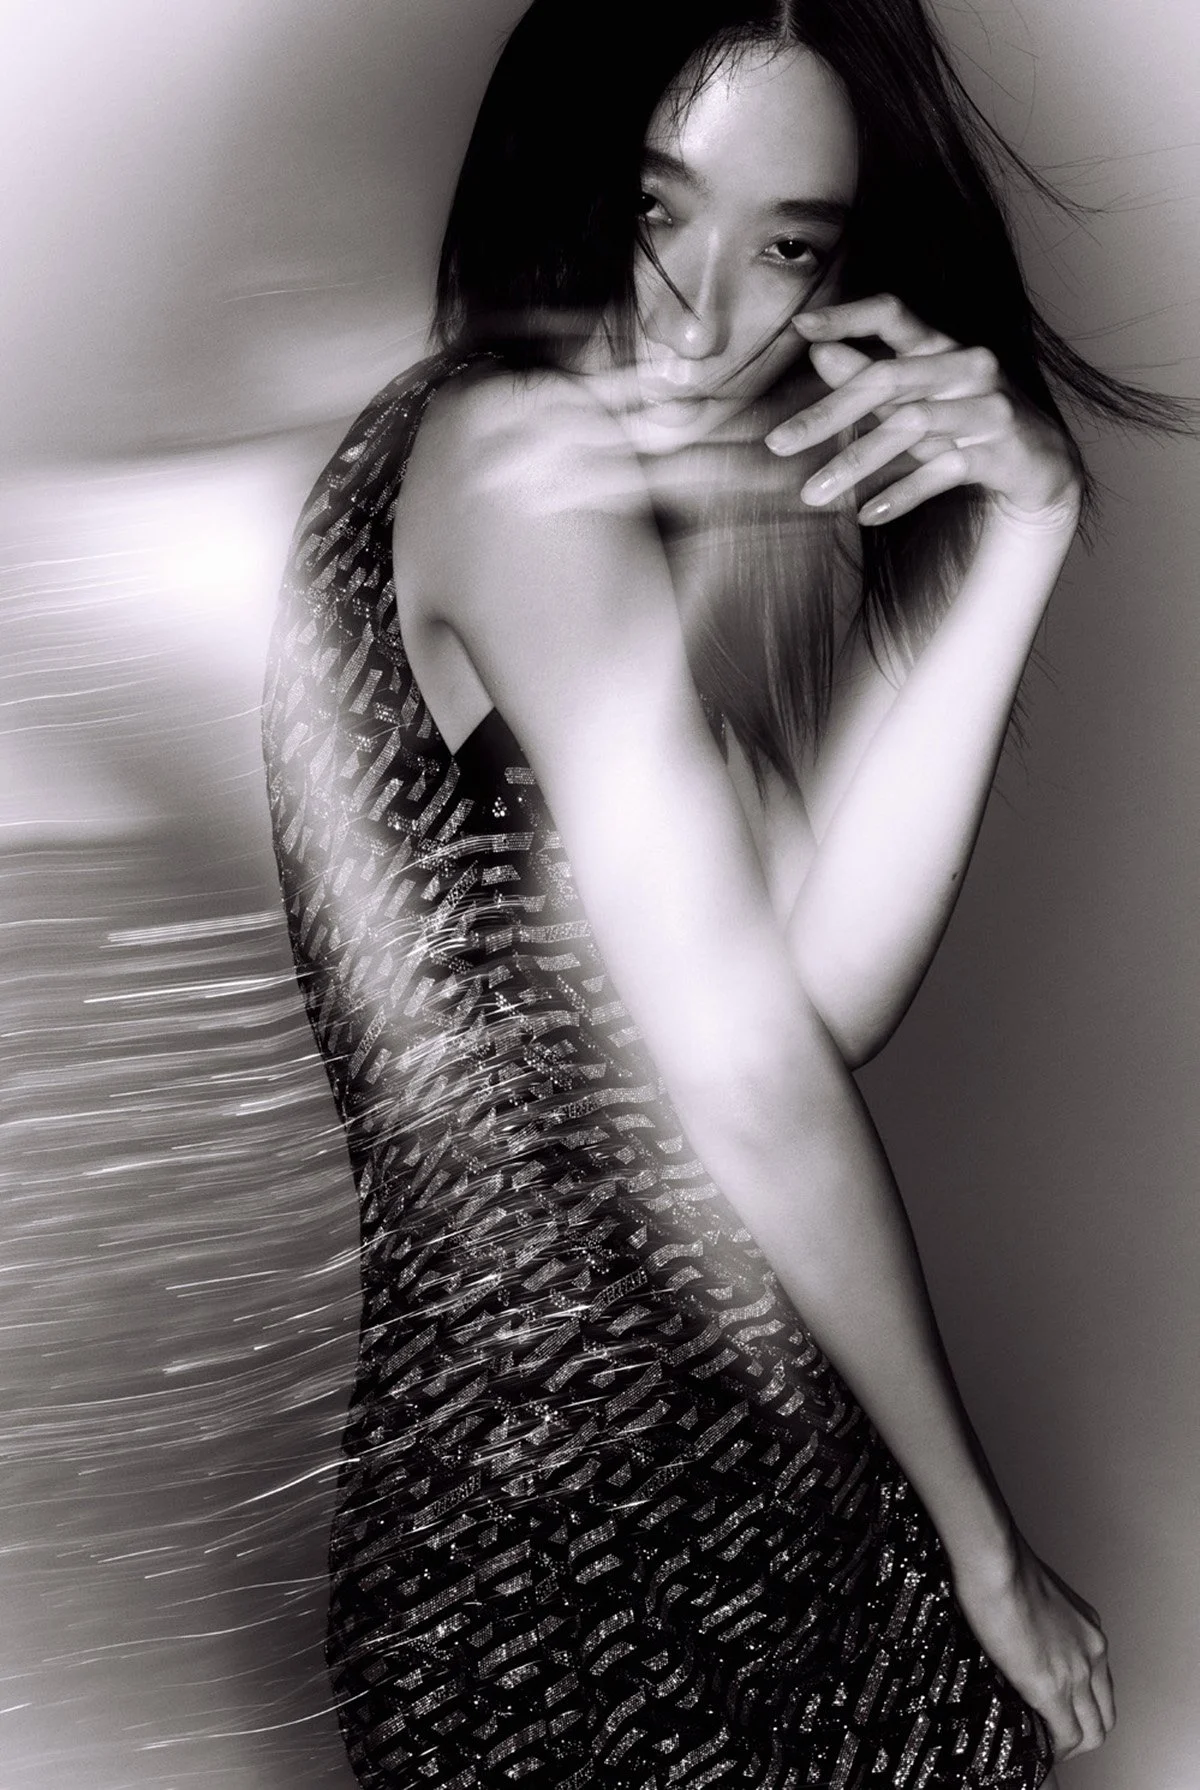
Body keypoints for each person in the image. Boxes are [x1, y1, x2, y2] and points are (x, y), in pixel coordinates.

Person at [262, 3, 1184, 1784]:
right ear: (558, 170)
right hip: (567, 1558)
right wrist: (984, 1545)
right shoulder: (504, 458)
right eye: (654, 208)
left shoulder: (603, 512)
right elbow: (750, 1071)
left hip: (714, 1487)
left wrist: (1025, 536)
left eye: (786, 250)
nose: (701, 317)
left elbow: (816, 1001)